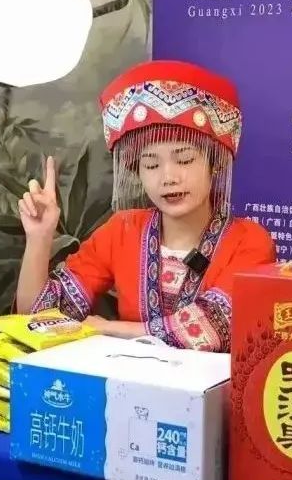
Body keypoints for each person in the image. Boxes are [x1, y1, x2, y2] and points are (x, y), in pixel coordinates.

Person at [15, 59, 276, 350]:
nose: (168, 177)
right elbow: (38, 317)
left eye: (185, 159)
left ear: (214, 163)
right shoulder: (123, 230)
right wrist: (39, 238)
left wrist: (109, 329)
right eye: (151, 165)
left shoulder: (250, 241)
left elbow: (214, 326)